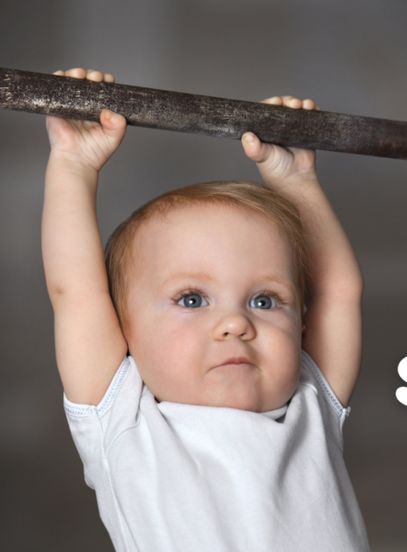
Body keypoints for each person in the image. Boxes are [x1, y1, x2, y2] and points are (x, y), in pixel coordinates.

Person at [42, 67, 369, 551]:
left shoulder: (310, 407)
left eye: (265, 300)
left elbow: (337, 290)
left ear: (301, 322)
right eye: (191, 299)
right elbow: (76, 291)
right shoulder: (124, 421)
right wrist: (73, 164)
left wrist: (298, 182)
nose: (236, 323)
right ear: (123, 326)